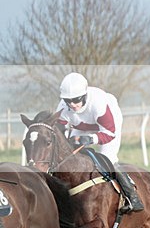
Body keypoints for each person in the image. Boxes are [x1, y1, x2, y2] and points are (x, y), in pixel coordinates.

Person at [56, 72, 144, 212]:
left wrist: (91, 138)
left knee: (108, 159)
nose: (72, 105)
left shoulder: (98, 103)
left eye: (76, 99)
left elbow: (109, 133)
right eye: (68, 101)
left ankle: (132, 196)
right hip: (82, 127)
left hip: (107, 128)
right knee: (68, 157)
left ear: (84, 95)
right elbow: (60, 132)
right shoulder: (63, 106)